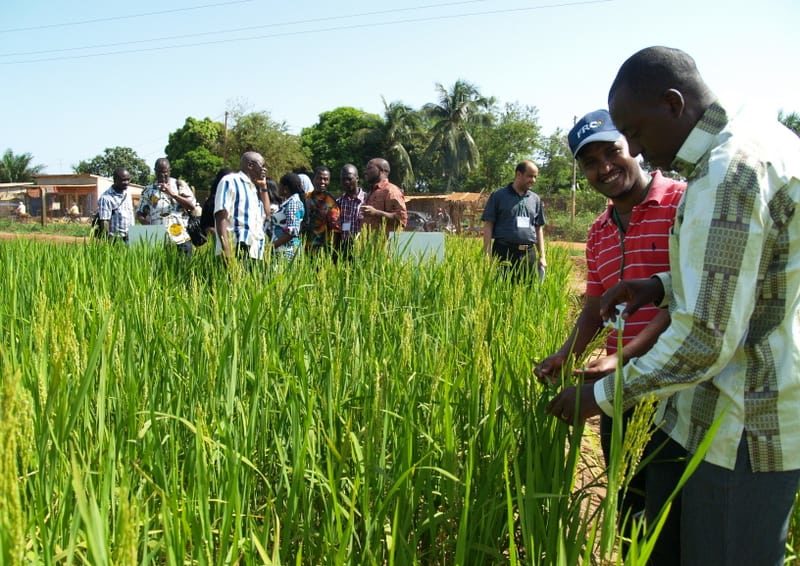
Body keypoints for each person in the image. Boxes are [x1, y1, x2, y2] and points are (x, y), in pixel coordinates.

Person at [546, 46, 800, 566]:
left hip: (743, 428)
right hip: (705, 415)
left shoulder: (731, 171)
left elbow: (706, 337)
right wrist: (659, 284)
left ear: (672, 103)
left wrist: (600, 394)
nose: (635, 150)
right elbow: (746, 273)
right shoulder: (748, 145)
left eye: (634, 133)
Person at [535, 109, 686, 531]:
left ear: (632, 148)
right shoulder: (599, 231)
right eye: (590, 162)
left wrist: (626, 358)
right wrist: (565, 355)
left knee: (671, 514)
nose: (604, 168)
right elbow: (594, 310)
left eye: (612, 151)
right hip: (616, 389)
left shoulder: (681, 201)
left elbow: (689, 298)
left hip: (678, 383)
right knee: (628, 507)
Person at [481, 160, 546, 278]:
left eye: (535, 177)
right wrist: (487, 253)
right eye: (530, 176)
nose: (533, 180)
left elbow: (538, 229)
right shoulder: (499, 196)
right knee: (501, 290)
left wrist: (542, 256)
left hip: (528, 253)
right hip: (504, 252)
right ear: (518, 174)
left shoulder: (535, 199)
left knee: (527, 292)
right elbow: (488, 225)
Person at [136, 158, 198, 254]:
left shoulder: (179, 185)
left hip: (180, 237)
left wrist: (173, 194)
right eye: (159, 172)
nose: (162, 175)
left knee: (184, 267)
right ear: (155, 171)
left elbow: (191, 206)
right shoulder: (148, 190)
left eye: (165, 172)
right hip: (158, 239)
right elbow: (139, 213)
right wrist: (146, 224)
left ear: (169, 170)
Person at [214, 152, 267, 263]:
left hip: (254, 250)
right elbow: (221, 215)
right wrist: (227, 250)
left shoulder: (253, 188)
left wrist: (263, 186)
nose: (264, 170)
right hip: (236, 247)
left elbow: (267, 214)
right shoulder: (230, 181)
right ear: (250, 165)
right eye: (262, 165)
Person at [361, 158, 407, 234]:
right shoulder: (371, 192)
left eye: (370, 168)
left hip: (385, 243)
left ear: (382, 170)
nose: (366, 172)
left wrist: (376, 212)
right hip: (370, 243)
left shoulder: (391, 191)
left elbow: (401, 220)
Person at [303, 165, 340, 255]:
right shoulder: (305, 197)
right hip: (305, 246)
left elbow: (336, 228)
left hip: (323, 250)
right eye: (319, 178)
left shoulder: (331, 201)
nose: (322, 182)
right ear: (313, 179)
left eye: (326, 179)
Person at [334, 163, 366, 261]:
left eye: (349, 179)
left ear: (357, 178)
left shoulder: (367, 200)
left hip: (362, 248)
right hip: (344, 250)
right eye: (343, 179)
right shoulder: (338, 203)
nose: (346, 182)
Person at [271, 173, 305, 261]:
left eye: (280, 185)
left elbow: (292, 231)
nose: (278, 188)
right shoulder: (289, 202)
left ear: (285, 188)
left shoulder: (292, 204)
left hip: (287, 252)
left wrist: (272, 246)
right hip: (283, 250)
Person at [95, 168, 135, 242]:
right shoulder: (106, 198)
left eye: (128, 179)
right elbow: (104, 221)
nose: (126, 182)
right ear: (115, 180)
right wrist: (107, 240)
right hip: (115, 238)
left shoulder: (127, 193)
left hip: (130, 236)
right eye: (123, 180)